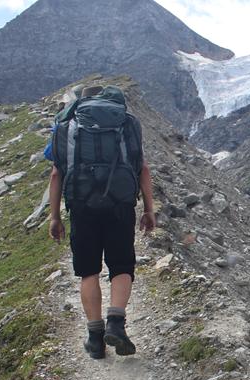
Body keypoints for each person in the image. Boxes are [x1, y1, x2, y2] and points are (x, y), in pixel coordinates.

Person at [48, 85, 156, 359]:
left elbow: (56, 174)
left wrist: (55, 216)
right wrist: (149, 209)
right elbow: (142, 167)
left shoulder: (66, 127)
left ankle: (95, 339)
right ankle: (116, 323)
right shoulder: (127, 123)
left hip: (82, 206)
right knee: (121, 266)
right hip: (120, 204)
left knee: (89, 271)